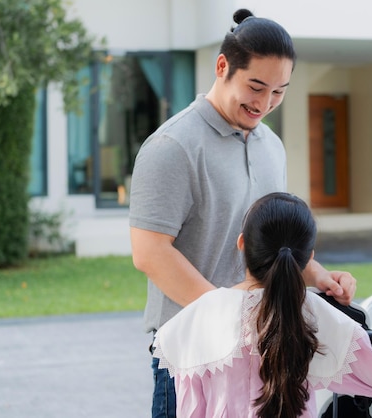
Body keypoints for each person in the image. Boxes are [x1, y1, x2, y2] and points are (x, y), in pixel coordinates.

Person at [129, 9, 357, 417]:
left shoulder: (272, 146)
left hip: (260, 352)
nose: (265, 103)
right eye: (256, 86)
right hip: (191, 356)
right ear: (222, 67)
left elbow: (273, 235)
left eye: (279, 92)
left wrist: (317, 275)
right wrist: (227, 318)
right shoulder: (171, 147)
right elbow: (149, 252)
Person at [152, 192, 372, 418]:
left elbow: (191, 409)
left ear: (242, 243)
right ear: (309, 257)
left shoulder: (196, 318)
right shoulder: (314, 313)